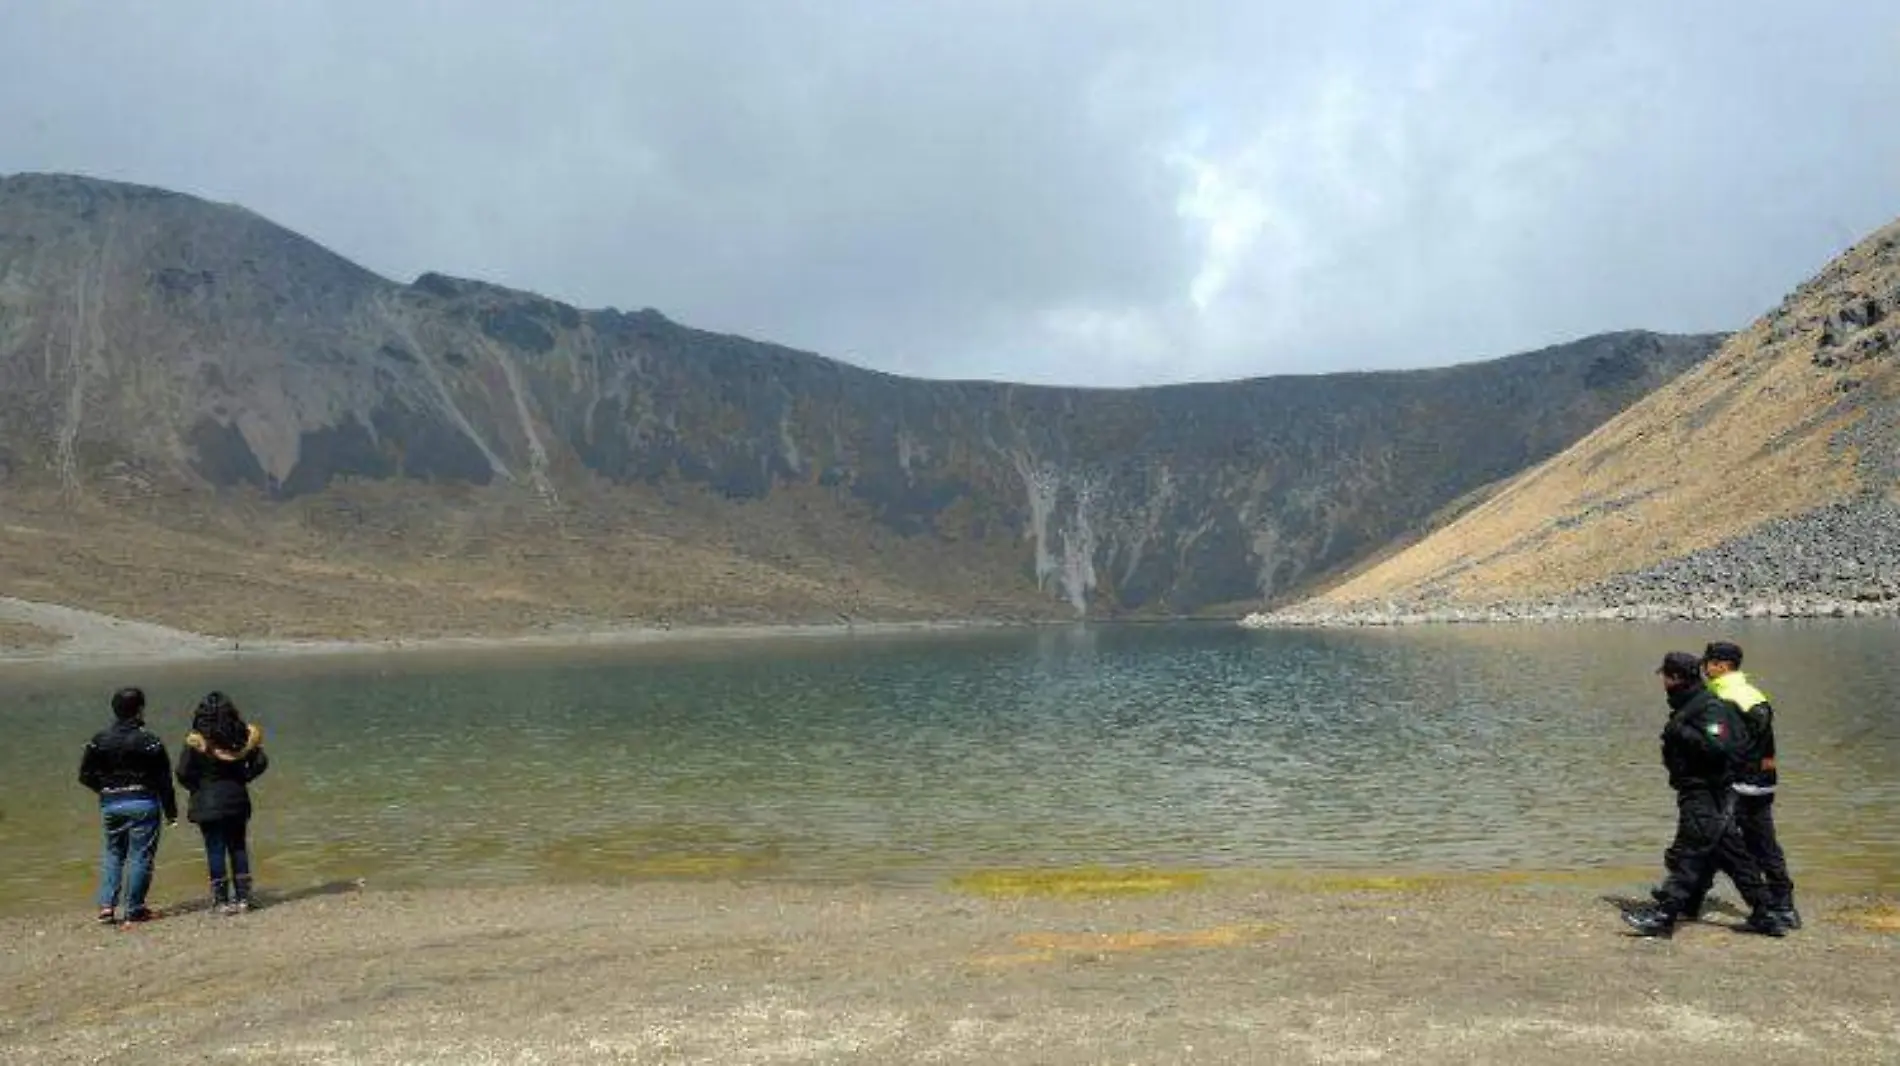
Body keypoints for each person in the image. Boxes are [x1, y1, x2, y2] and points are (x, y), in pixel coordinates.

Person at [1623, 652, 1786, 938]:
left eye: (1665, 676)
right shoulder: (1692, 703)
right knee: (1733, 856)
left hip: (1707, 792)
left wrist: (1681, 731)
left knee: (1690, 852)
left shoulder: (1707, 707)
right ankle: (1767, 913)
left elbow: (1721, 748)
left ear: (1675, 677)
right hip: (1699, 790)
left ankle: (1665, 916)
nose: (1662, 681)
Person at [1701, 640, 1800, 930]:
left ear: (1722, 665)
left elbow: (1718, 741)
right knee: (1762, 843)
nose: (1704, 668)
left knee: (1715, 839)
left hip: (1738, 783)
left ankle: (1688, 895)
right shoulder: (1752, 693)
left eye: (1708, 662)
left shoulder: (1722, 696)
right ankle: (1783, 905)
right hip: (1763, 781)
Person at [78, 686, 178, 926]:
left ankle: (106, 906)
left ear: (115, 710)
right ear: (140, 710)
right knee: (140, 856)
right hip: (143, 802)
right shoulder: (150, 741)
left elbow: (85, 775)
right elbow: (164, 780)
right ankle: (134, 908)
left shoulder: (99, 740)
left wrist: (104, 790)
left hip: (111, 804)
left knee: (113, 853)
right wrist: (171, 812)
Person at [175, 691, 269, 914]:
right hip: (236, 798)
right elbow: (261, 761)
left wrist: (196, 788)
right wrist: (244, 777)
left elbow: (182, 772)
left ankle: (221, 901)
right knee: (237, 846)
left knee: (215, 849)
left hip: (207, 801)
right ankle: (244, 898)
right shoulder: (243, 737)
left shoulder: (196, 741)